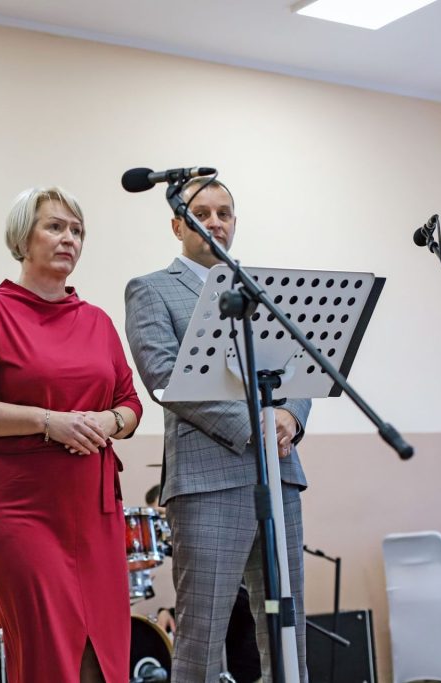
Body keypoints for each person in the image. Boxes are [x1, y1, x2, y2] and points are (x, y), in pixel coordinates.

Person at [0, 187, 143, 683]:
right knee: (50, 651)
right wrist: (48, 421)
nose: (69, 238)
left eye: (77, 230)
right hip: (20, 506)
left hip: (94, 508)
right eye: (55, 226)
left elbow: (131, 404)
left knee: (102, 656)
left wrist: (107, 422)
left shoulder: (97, 321)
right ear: (22, 238)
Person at [124, 177, 311, 682]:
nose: (214, 223)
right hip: (207, 480)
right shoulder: (151, 289)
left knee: (287, 631)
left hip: (279, 472)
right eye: (201, 213)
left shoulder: (262, 288)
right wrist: (256, 426)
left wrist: (292, 416)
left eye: (223, 213)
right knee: (202, 638)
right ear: (177, 225)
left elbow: (301, 364)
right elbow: (165, 379)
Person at [144, 485, 262, 683]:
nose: (159, 525)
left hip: (245, 657)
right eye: (155, 518)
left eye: (162, 515)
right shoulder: (184, 553)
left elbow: (223, 601)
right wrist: (168, 612)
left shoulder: (220, 546)